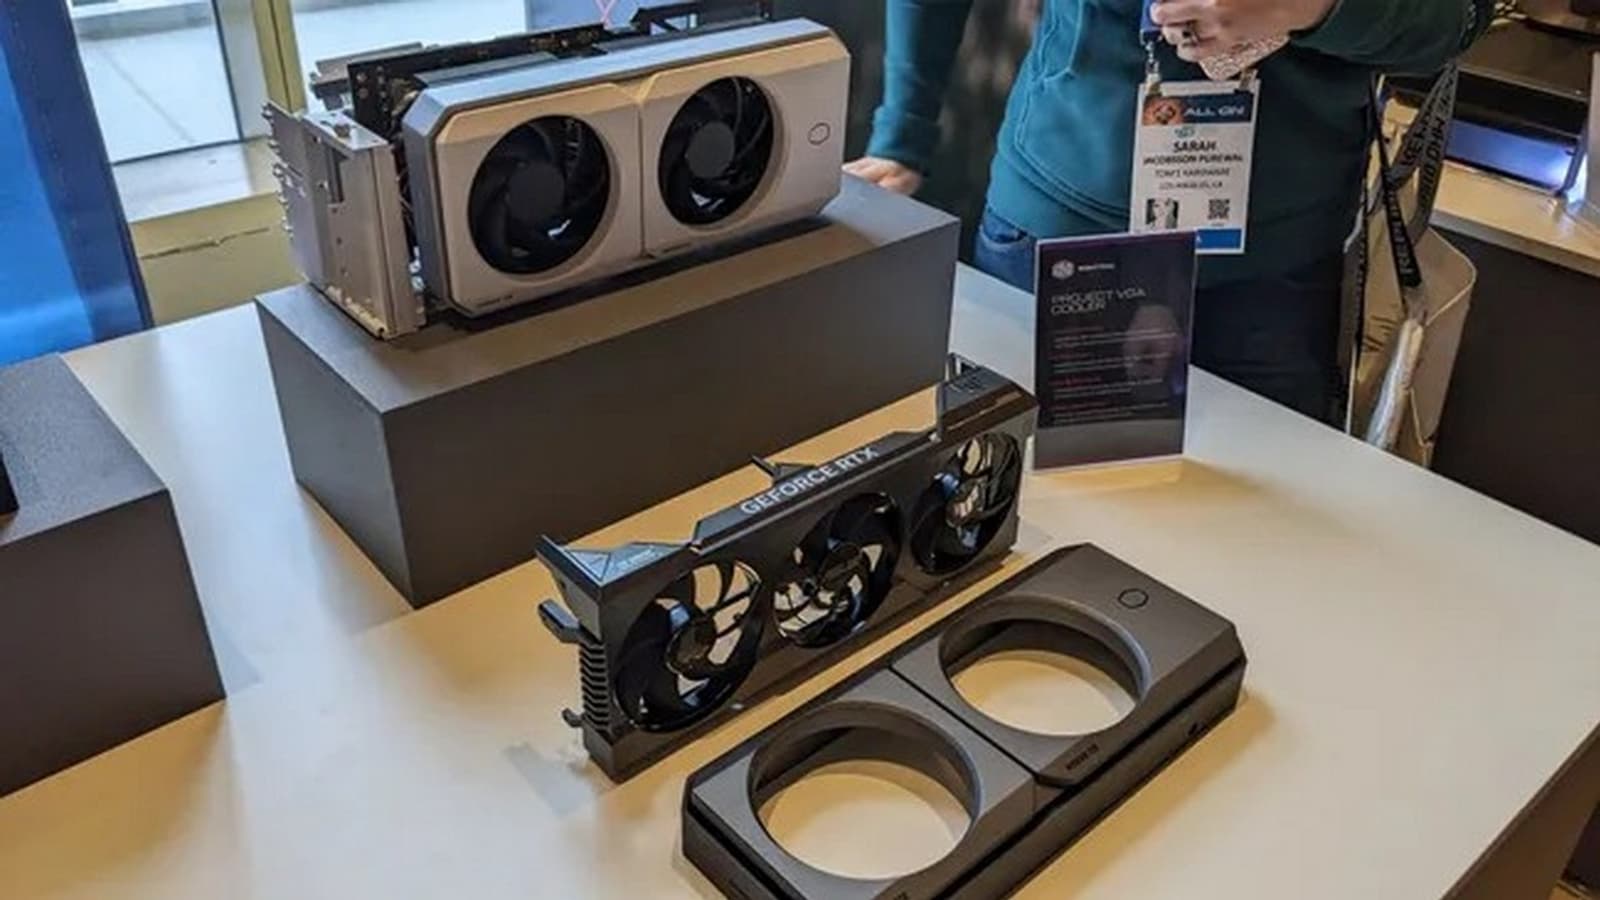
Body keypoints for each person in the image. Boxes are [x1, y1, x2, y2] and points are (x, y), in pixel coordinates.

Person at [846, 0, 1494, 425]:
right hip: (1062, 229)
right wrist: (902, 133)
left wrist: (1312, 8)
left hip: (1279, 265)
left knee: (1252, 538)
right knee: (1025, 516)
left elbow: (1456, 21)